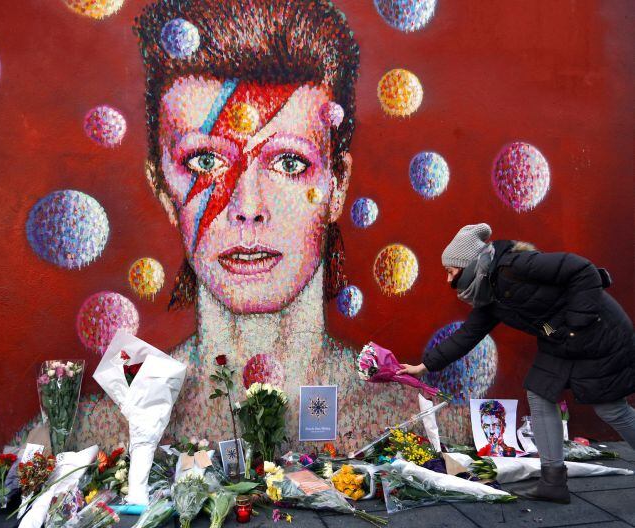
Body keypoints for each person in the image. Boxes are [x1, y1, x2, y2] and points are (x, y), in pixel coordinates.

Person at [60, 0, 471, 454]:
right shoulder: (102, 432)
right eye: (205, 161)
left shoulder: (408, 422)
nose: (248, 206)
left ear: (337, 186)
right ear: (161, 189)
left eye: (290, 162)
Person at [400, 223, 635, 504]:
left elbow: (583, 270)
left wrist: (574, 325)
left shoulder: (516, 265)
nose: (447, 279)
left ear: (468, 264)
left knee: (611, 409)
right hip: (561, 338)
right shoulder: (490, 293)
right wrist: (424, 366)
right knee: (539, 393)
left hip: (598, 331)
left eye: (450, 271)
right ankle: (553, 482)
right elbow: (467, 334)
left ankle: (553, 480)